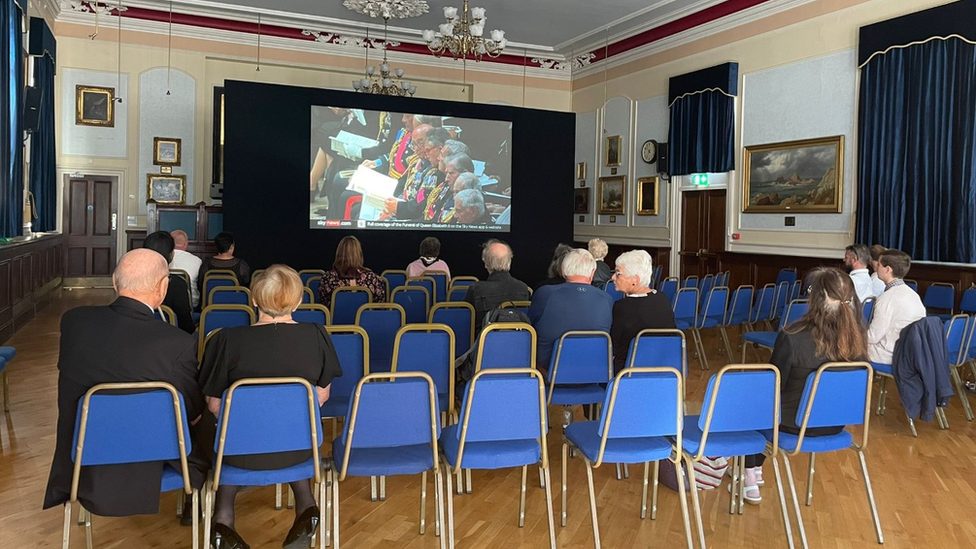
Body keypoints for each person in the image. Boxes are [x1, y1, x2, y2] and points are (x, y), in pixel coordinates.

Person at [43, 249, 207, 519]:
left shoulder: (73, 322)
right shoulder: (176, 342)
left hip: (83, 461)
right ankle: (196, 504)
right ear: (162, 288)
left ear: (114, 282)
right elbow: (190, 411)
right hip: (153, 460)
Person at [198, 265, 342, 549]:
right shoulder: (316, 335)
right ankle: (306, 507)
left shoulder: (226, 339)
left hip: (239, 452)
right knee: (286, 427)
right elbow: (320, 397)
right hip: (301, 450)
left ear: (253, 299)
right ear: (298, 302)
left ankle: (223, 519)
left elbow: (215, 404)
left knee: (220, 429)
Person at [741, 266, 868, 504]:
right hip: (834, 425)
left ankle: (750, 474)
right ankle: (754, 468)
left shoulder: (793, 336)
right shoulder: (859, 342)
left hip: (793, 427)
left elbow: (773, 385)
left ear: (815, 299)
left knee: (751, 403)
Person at [528, 248, 614, 369]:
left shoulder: (545, 294)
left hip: (548, 373)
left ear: (563, 270)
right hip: (592, 372)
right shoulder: (607, 299)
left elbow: (530, 325)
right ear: (593, 271)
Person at [609, 250, 676, 371]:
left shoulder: (622, 307)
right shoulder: (662, 298)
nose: (613, 277)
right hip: (664, 368)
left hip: (628, 372)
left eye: (618, 273)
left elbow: (613, 347)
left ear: (635, 279)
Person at [867, 250, 926, 364]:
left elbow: (873, 337)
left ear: (888, 269)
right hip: (910, 353)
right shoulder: (913, 294)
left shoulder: (887, 298)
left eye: (879, 265)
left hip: (888, 354)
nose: (876, 267)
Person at [463, 239, 531, 334]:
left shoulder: (476, 290)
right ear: (509, 263)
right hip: (518, 345)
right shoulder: (524, 289)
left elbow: (464, 323)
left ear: (486, 264)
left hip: (484, 346)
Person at [143, 231, 195, 334]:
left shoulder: (134, 280)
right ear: (170, 254)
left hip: (139, 335)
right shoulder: (177, 284)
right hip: (171, 340)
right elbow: (186, 326)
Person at [318, 236, 386, 305]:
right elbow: (380, 306)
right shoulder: (372, 278)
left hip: (335, 316)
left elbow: (323, 306)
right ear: (359, 254)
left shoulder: (328, 278)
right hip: (366, 316)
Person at [170, 229, 202, 308]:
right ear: (185, 244)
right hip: (190, 303)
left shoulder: (161, 259)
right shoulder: (197, 260)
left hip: (165, 304)